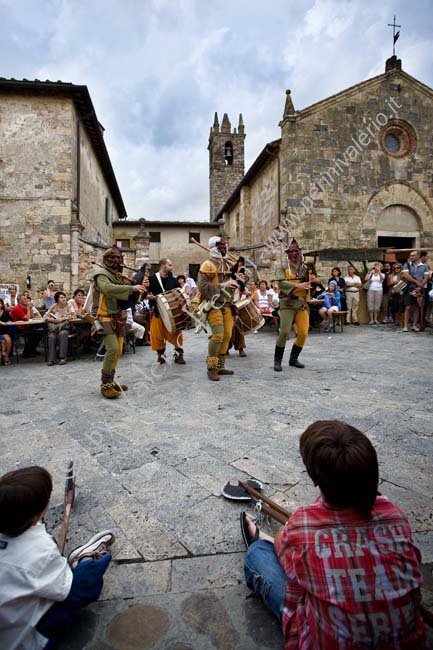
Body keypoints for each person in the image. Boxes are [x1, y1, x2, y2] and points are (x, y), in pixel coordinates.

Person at [242, 420, 426, 650]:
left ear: (315, 480)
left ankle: (261, 540)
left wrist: (283, 536)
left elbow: (283, 544)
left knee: (258, 555)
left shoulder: (303, 524)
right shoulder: (395, 515)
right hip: (410, 643)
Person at [0, 465, 114, 650]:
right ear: (42, 509)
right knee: (85, 581)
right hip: (26, 642)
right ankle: (85, 559)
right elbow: (65, 591)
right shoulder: (39, 549)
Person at [91, 246, 148, 398]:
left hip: (119, 317)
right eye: (113, 258)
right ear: (107, 259)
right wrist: (131, 288)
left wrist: (140, 286)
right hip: (105, 317)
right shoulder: (101, 274)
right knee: (113, 349)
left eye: (119, 258)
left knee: (118, 350)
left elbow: (126, 296)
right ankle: (105, 385)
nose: (117, 261)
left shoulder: (117, 276)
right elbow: (107, 288)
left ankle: (111, 381)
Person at [274, 238, 320, 372]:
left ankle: (293, 359)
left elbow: (321, 279)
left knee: (303, 333)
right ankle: (277, 361)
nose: (294, 253)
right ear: (288, 253)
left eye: (297, 251)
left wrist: (316, 280)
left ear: (300, 252)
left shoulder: (306, 268)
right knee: (284, 333)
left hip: (301, 303)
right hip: (287, 302)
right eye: (292, 251)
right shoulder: (282, 267)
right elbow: (281, 283)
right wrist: (297, 285)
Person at [197, 236, 238, 381]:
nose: (224, 248)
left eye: (224, 246)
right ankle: (211, 368)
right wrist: (222, 285)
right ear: (214, 247)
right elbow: (202, 287)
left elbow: (237, 280)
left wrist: (240, 278)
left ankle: (220, 366)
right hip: (213, 304)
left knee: (227, 336)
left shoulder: (228, 264)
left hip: (227, 305)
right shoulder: (207, 265)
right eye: (221, 246)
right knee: (218, 336)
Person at [147, 258, 186, 365]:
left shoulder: (173, 280)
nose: (171, 267)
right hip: (157, 311)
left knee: (176, 333)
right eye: (170, 265)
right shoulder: (152, 279)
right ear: (164, 266)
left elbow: (179, 294)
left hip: (172, 314)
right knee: (157, 335)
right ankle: (161, 355)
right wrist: (148, 296)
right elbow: (144, 293)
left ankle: (178, 355)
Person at [43, 291, 76, 366]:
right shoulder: (54, 306)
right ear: (57, 299)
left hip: (65, 327)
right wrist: (54, 320)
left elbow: (73, 315)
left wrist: (62, 318)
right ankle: (51, 359)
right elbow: (45, 317)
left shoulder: (69, 305)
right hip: (54, 328)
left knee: (62, 334)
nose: (64, 299)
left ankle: (63, 357)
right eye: (61, 297)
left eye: (64, 297)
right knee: (51, 337)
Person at [401, 250, 430, 332]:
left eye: (413, 255)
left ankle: (414, 325)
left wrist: (421, 286)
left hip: (420, 289)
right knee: (408, 307)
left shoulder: (424, 266)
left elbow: (426, 277)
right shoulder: (407, 265)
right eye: (410, 255)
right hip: (409, 288)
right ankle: (405, 326)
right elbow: (406, 276)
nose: (411, 257)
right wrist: (417, 282)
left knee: (417, 307)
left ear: (418, 256)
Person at [0, 298, 13, 365]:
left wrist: (9, 322)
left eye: (0, 303)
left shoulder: (5, 313)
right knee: (3, 341)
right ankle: (3, 356)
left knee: (8, 340)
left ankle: (6, 357)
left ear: (2, 304)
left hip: (4, 330)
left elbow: (9, 320)